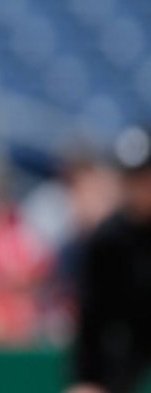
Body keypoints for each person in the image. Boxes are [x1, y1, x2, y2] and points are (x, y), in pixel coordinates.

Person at [68, 125, 151, 393]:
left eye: (145, 176)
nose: (139, 187)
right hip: (127, 351)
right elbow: (92, 321)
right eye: (131, 178)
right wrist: (86, 380)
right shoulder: (108, 239)